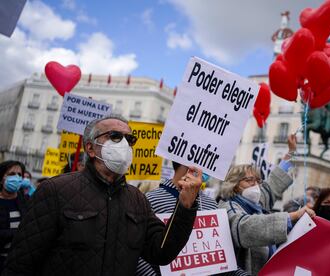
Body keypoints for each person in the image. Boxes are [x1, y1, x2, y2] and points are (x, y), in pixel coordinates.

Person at [3, 115, 202, 276]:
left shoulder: (137, 199)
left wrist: (185, 207)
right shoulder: (55, 190)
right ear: (90, 148)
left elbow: (162, 252)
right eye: (115, 136)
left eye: (129, 139)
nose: (124, 144)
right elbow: (21, 263)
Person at [218, 134, 316, 275]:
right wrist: (293, 216)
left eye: (257, 180)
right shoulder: (228, 207)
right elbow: (245, 227)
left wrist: (291, 152)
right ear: (234, 185)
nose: (256, 185)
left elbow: (272, 185)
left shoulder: (255, 203)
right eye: (250, 180)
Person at [135, 162, 248, 275]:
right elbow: (137, 253)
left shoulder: (211, 204)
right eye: (205, 160)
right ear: (187, 163)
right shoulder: (151, 200)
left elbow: (222, 261)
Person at [0, 161, 29, 272]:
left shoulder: (27, 201)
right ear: (1, 178)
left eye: (19, 175)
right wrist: (19, 232)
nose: (16, 178)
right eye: (11, 174)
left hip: (19, 263)